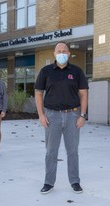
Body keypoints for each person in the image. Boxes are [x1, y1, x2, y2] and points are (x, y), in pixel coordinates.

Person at [35, 42, 89, 194]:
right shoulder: (45, 71)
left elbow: (84, 94)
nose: (62, 53)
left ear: (69, 53)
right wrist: (41, 115)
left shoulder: (77, 71)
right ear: (54, 53)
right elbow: (38, 93)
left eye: (64, 51)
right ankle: (48, 182)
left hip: (73, 115)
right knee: (51, 151)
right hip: (52, 116)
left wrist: (83, 115)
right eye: (59, 51)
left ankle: (75, 181)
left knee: (73, 151)